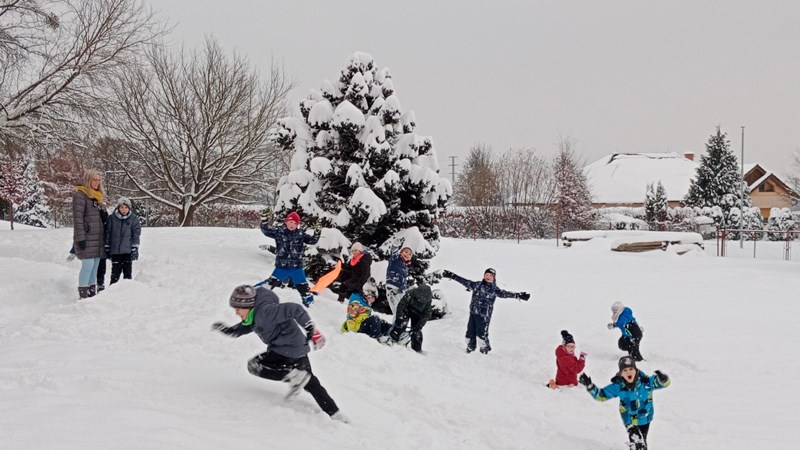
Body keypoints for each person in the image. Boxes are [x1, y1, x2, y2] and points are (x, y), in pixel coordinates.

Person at [211, 284, 348, 423]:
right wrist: (231, 331)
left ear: (247, 305)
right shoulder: (255, 315)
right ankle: (335, 414)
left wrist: (310, 327)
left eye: (238, 309)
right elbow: (247, 326)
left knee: (254, 366)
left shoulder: (266, 312)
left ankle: (294, 376)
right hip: (297, 348)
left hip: (285, 350)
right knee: (311, 383)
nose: (236, 313)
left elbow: (295, 309)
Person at [579, 356, 670, 450]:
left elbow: (663, 383)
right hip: (629, 419)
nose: (628, 372)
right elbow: (601, 395)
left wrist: (663, 379)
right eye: (625, 370)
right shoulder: (618, 386)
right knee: (637, 441)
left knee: (642, 442)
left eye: (631, 369)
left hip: (645, 417)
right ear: (621, 373)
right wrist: (590, 387)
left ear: (635, 370)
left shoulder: (646, 382)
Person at [439, 268, 530, 354]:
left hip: (484, 316)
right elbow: (464, 281)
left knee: (481, 334)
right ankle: (470, 348)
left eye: (490, 275)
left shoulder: (494, 290)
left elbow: (505, 294)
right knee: (470, 333)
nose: (488, 276)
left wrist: (518, 295)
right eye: (486, 274)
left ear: (494, 278)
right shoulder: (477, 285)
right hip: (473, 313)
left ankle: (484, 350)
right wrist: (452, 276)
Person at [259, 211, 321, 307]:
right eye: (290, 222)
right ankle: (254, 295)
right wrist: (264, 220)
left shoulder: (301, 234)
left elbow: (312, 241)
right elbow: (266, 231)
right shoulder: (279, 232)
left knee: (304, 288)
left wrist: (317, 233)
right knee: (270, 283)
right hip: (282, 266)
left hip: (297, 267)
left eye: (295, 223)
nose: (292, 225)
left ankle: (310, 304)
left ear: (298, 224)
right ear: (286, 222)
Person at [72, 170, 106, 299]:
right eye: (94, 180)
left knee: (95, 266)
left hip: (97, 238)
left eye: (98, 180)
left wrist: (103, 213)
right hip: (86, 237)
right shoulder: (80, 195)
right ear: (88, 180)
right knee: (88, 266)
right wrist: (80, 238)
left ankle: (92, 292)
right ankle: (83, 294)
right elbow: (78, 219)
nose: (97, 182)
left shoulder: (97, 196)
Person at [380, 283, 433, 353]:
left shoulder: (428, 303)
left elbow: (426, 315)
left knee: (417, 333)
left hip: (418, 314)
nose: (419, 300)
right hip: (407, 309)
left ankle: (416, 350)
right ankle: (393, 340)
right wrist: (399, 318)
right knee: (401, 324)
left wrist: (419, 326)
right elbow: (401, 306)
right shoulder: (410, 294)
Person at [104, 197, 142, 285]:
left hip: (127, 251)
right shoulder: (112, 218)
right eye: (122, 207)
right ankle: (113, 289)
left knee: (127, 274)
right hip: (115, 251)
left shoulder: (133, 219)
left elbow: (136, 234)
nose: (124, 210)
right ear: (118, 208)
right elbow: (108, 233)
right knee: (115, 274)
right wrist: (107, 246)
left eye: (126, 207)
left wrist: (135, 247)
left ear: (129, 208)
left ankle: (127, 289)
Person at [384, 239, 414, 314]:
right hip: (392, 288)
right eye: (405, 252)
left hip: (400, 291)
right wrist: (395, 246)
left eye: (410, 254)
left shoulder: (405, 267)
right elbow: (393, 253)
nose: (407, 254)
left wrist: (405, 288)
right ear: (400, 253)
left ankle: (400, 321)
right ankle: (397, 321)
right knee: (398, 311)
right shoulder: (395, 259)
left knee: (402, 311)